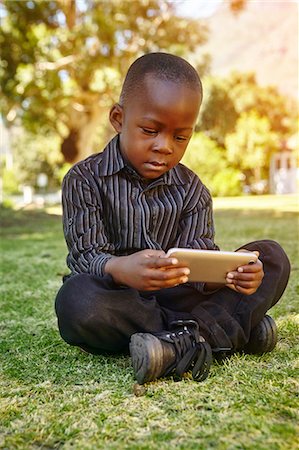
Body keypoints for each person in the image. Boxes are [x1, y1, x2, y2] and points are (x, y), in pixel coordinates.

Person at [55, 53, 290, 384]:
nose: (164, 146)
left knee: (271, 257)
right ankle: (228, 332)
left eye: (180, 137)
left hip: (184, 296)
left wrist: (232, 275)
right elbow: (85, 256)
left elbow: (199, 264)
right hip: (123, 299)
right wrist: (122, 269)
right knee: (76, 301)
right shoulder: (84, 179)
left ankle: (177, 345)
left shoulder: (193, 189)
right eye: (150, 130)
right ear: (118, 118)